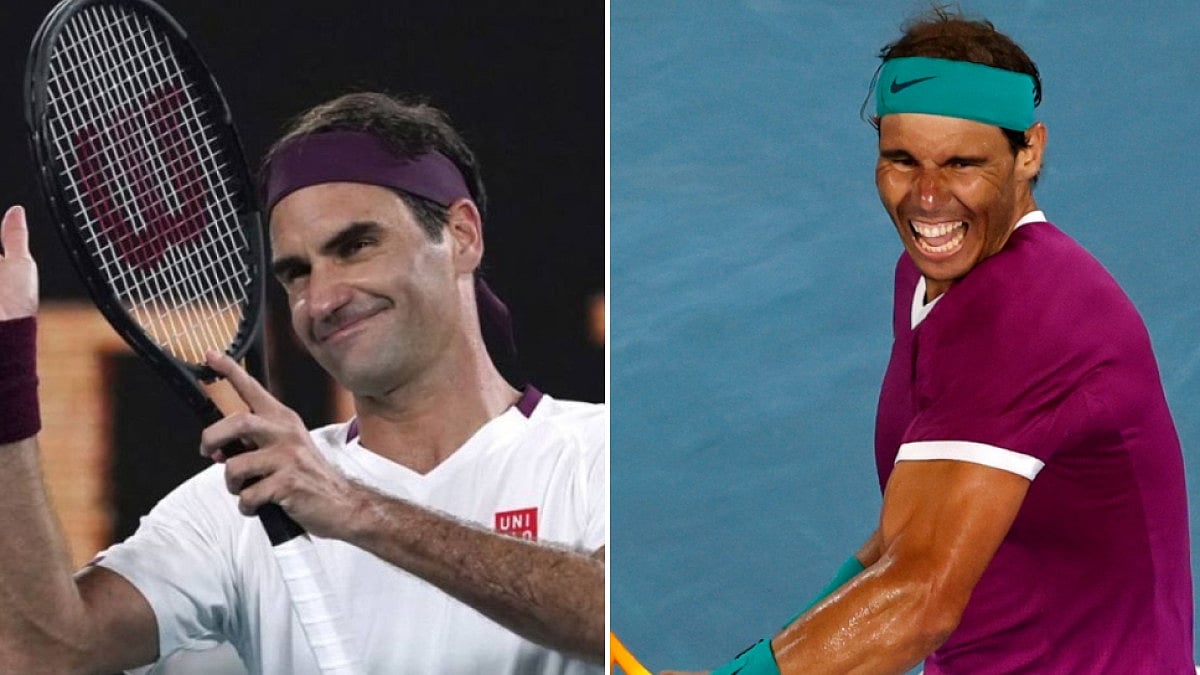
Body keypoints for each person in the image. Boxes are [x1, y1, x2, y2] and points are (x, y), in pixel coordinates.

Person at [663, 9, 1192, 675]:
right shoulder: (930, 280)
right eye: (901, 160)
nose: (928, 197)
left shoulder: (1033, 313)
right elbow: (906, 535)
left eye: (962, 163)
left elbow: (919, 600)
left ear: (1029, 151)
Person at [0, 92, 605, 674]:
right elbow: (42, 652)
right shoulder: (241, 504)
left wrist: (353, 508)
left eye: (356, 246)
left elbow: (635, 616)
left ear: (461, 235)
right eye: (295, 272)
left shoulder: (604, 453)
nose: (323, 299)